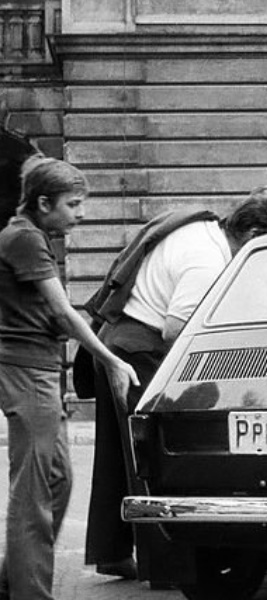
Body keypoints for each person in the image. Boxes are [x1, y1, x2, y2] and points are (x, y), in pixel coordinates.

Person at [84, 189, 267, 584]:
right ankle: (166, 568)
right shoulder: (208, 260)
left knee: (120, 456)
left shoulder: (202, 229)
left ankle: (111, 553)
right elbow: (177, 329)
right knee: (155, 460)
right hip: (140, 349)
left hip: (119, 339)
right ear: (250, 233)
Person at [0, 155, 139, 600]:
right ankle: (29, 592)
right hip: (27, 370)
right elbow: (62, 310)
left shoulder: (29, 234)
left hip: (37, 367)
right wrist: (111, 360)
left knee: (58, 481)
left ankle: (10, 578)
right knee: (35, 494)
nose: (81, 214)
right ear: (44, 202)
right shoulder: (25, 239)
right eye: (74, 204)